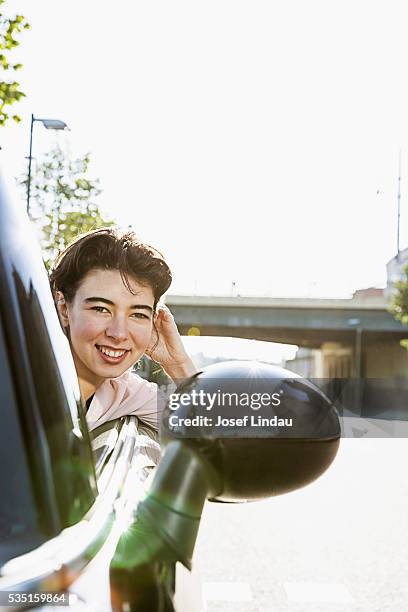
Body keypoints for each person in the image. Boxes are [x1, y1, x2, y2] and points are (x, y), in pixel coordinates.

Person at [49, 227, 196, 432]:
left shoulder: (125, 392)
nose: (118, 334)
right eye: (101, 309)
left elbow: (218, 435)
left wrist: (178, 363)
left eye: (137, 314)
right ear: (64, 308)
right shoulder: (19, 376)